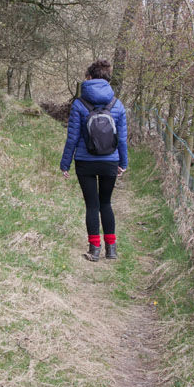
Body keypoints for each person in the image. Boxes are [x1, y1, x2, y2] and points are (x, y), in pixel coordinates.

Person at [60, 60, 128, 261]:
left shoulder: (79, 104)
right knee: (106, 203)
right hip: (110, 161)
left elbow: (72, 137)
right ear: (107, 79)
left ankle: (95, 249)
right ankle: (112, 249)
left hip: (85, 161)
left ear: (88, 77)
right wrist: (123, 163)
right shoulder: (117, 105)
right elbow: (122, 139)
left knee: (92, 205)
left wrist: (65, 164)